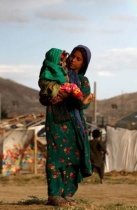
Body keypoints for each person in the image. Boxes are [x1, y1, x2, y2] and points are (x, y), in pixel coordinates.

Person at [39, 45, 95, 206]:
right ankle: (54, 195)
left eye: (79, 59)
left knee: (75, 158)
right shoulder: (56, 74)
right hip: (56, 121)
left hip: (75, 124)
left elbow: (83, 105)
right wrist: (51, 96)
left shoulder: (83, 81)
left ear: (84, 64)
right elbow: (42, 97)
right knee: (56, 157)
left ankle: (67, 193)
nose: (73, 61)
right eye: (73, 56)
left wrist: (72, 97)